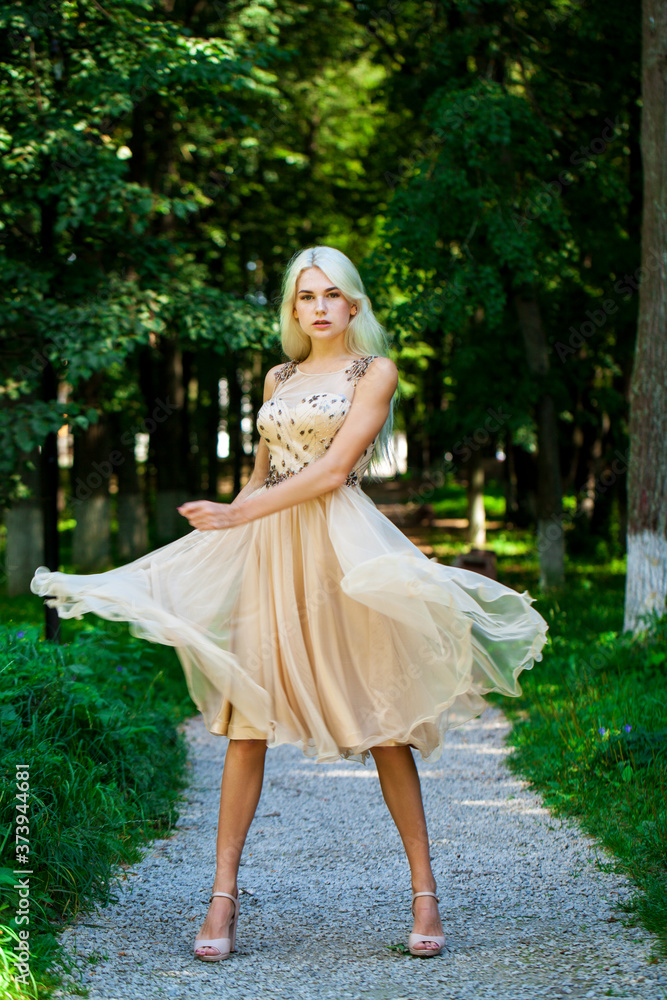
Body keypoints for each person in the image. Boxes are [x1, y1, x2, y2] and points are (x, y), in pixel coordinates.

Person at [31, 245, 549, 962]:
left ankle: (424, 893)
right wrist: (215, 542)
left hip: (343, 553)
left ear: (353, 305)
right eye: (306, 296)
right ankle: (221, 903)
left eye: (333, 295)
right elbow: (261, 473)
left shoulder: (376, 372)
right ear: (293, 308)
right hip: (271, 552)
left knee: (384, 721)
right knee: (247, 721)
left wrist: (239, 515)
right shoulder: (278, 374)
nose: (320, 306)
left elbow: (334, 471)